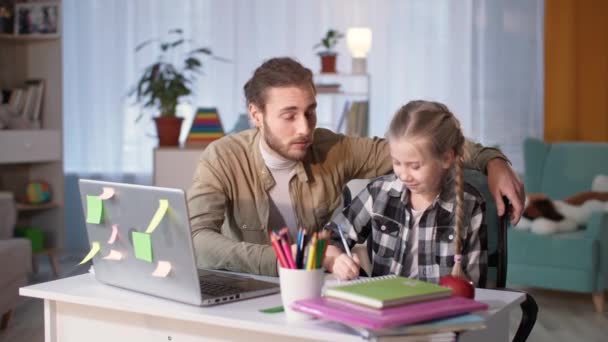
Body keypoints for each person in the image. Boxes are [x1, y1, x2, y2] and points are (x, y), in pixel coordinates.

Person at [187, 57, 523, 276]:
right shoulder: (222, 158)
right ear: (256, 115)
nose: (305, 128)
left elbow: (425, 145)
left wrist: (492, 160)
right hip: (250, 294)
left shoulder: (333, 148)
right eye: (289, 116)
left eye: (310, 111)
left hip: (318, 295)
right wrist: (287, 259)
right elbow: (198, 239)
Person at [324, 100, 486, 285]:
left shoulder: (470, 204)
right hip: (385, 307)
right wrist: (336, 260)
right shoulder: (379, 193)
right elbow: (330, 239)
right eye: (397, 163)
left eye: (415, 166)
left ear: (446, 158)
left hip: (442, 311)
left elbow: (476, 286)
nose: (403, 175)